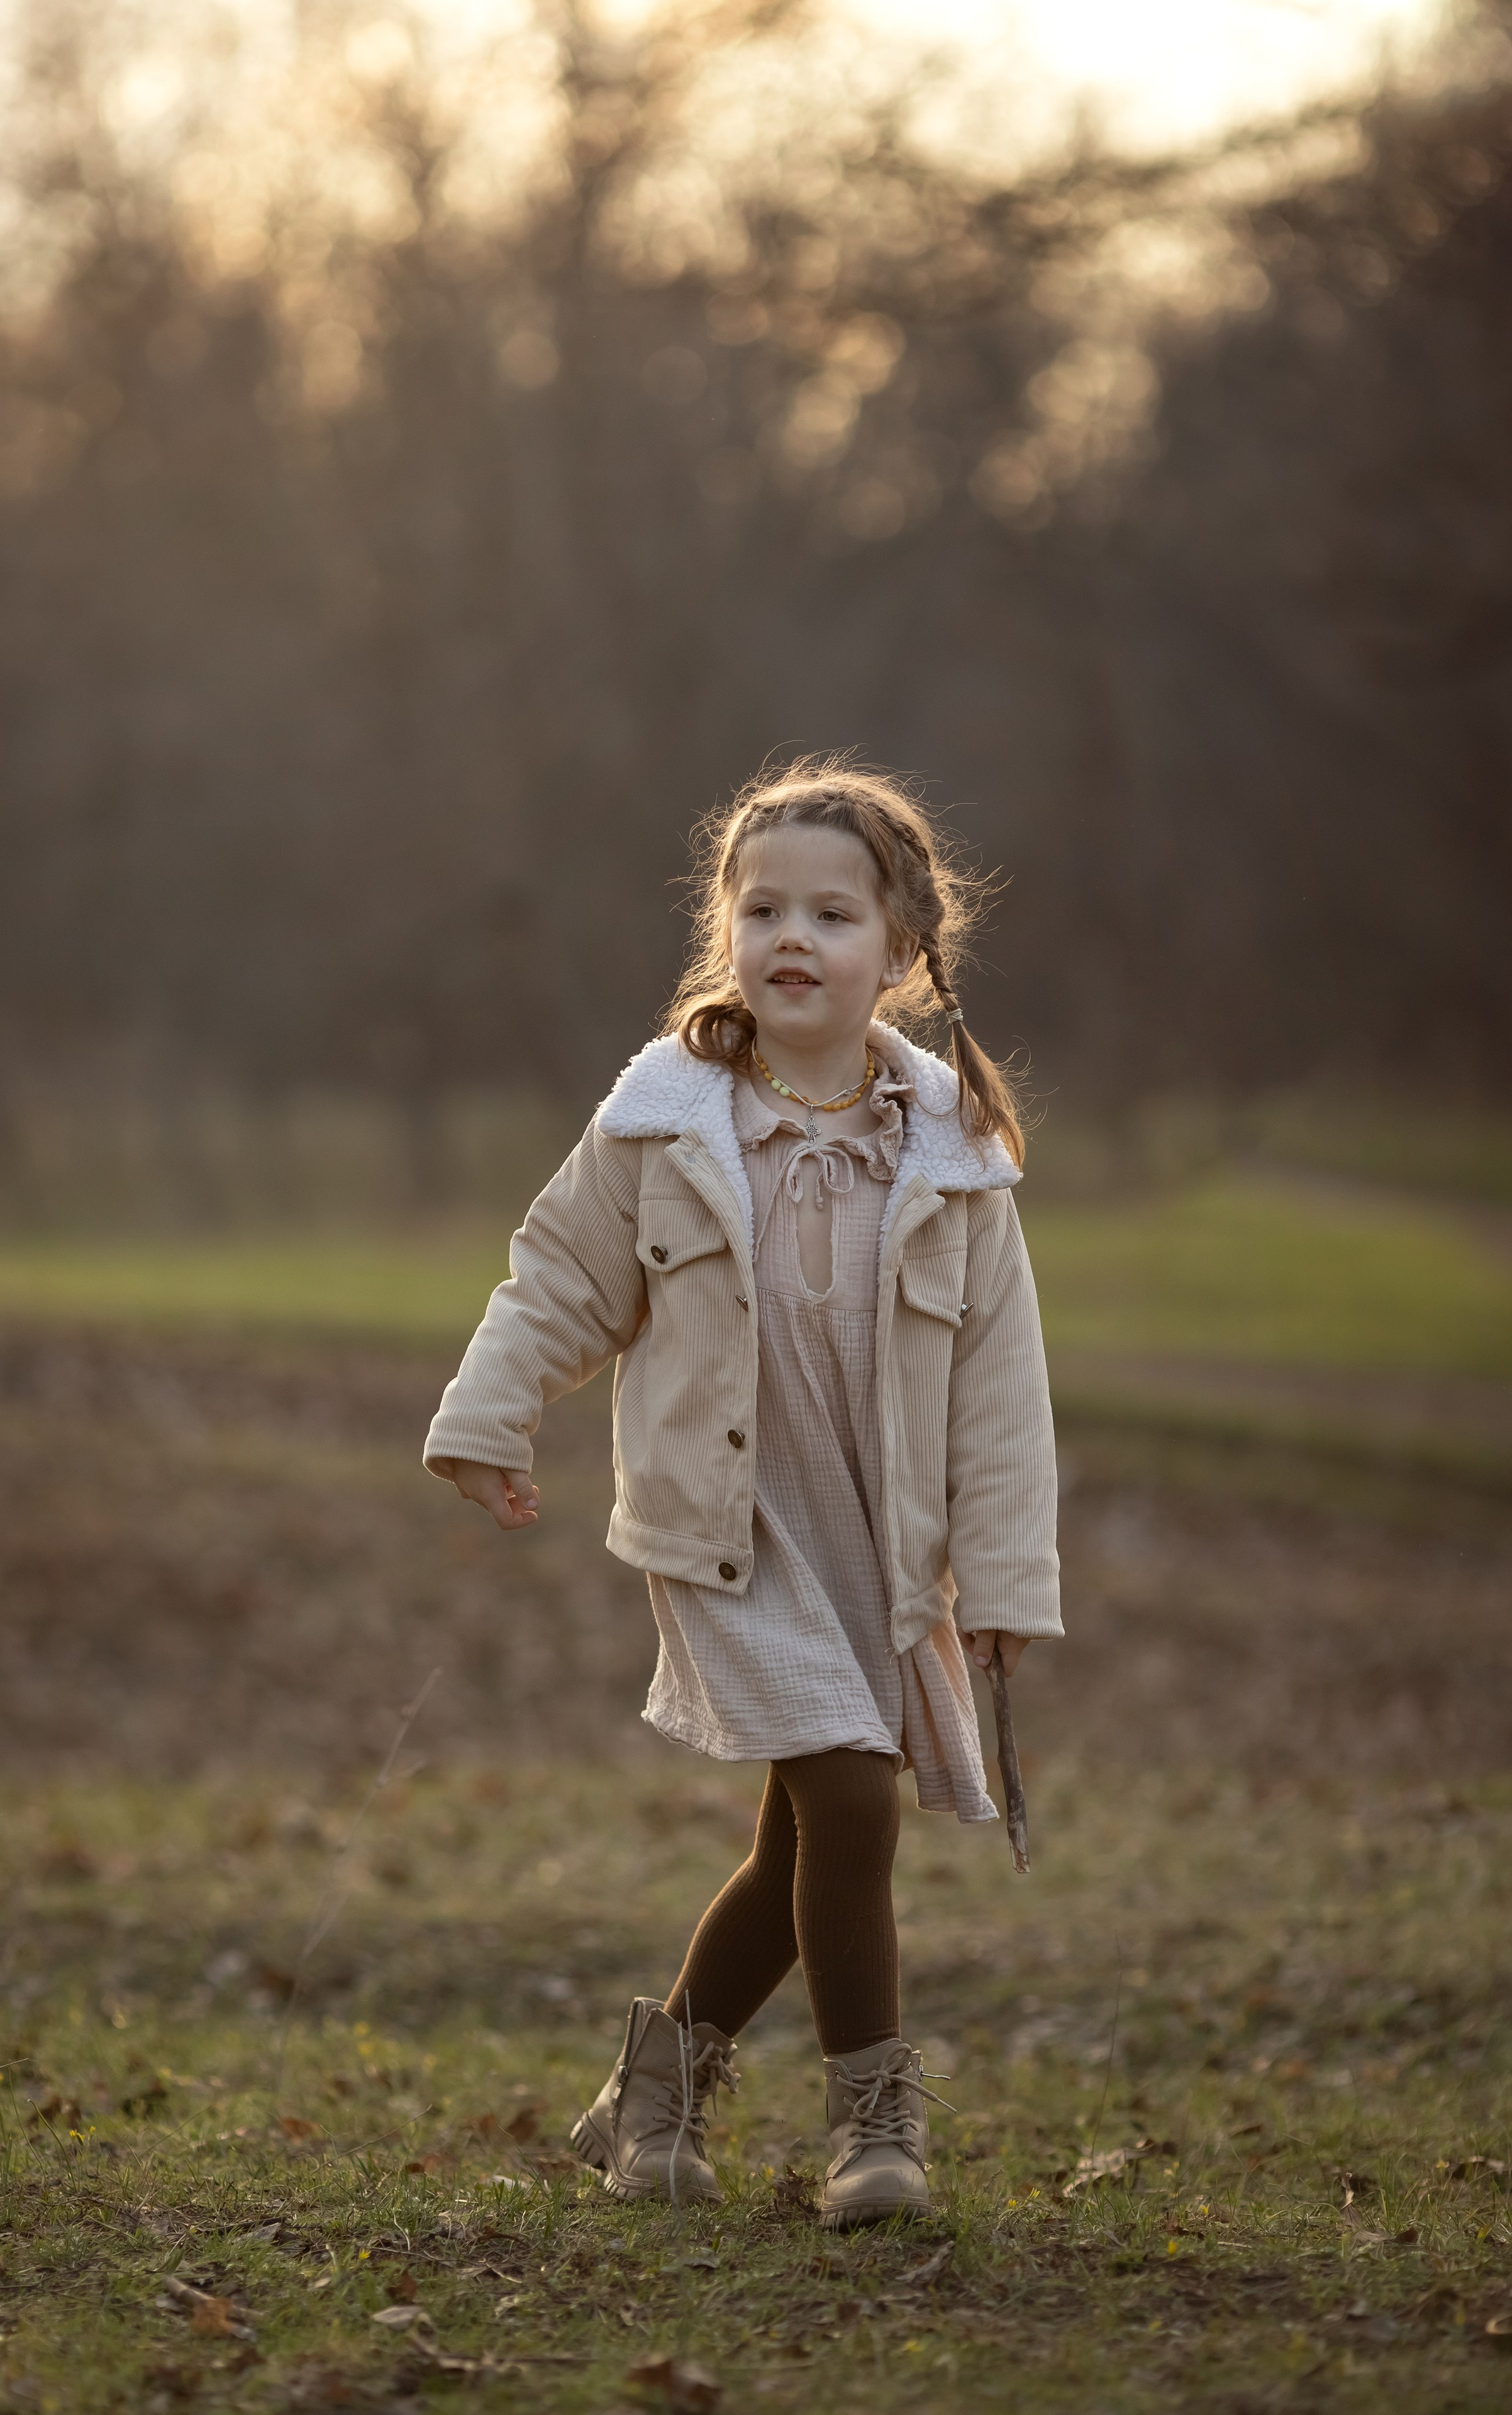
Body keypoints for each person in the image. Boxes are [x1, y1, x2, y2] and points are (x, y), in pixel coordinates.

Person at [423, 757, 1061, 2229]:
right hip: (730, 1531)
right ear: (725, 932)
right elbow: (561, 1275)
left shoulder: (954, 1158)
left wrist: (1007, 1583)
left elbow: (999, 1394)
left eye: (831, 915)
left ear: (900, 957)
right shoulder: (666, 1120)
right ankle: (872, 2130)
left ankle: (649, 2096)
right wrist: (489, 1414)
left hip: (879, 1540)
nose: (791, 935)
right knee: (848, 1802)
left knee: (801, 1836)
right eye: (760, 906)